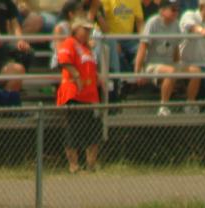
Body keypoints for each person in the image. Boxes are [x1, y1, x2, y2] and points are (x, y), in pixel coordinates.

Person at [135, 0, 197, 115]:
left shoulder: (176, 24)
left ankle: (190, 104)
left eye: (177, 9)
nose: (176, 12)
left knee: (196, 71)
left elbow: (175, 48)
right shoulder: (153, 22)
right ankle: (163, 106)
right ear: (162, 11)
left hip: (170, 64)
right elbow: (142, 47)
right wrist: (138, 71)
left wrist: (178, 65)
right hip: (153, 65)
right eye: (173, 9)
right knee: (171, 71)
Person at [57, 15, 101, 172]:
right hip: (73, 93)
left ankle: (91, 165)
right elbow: (63, 60)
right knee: (73, 128)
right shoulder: (69, 42)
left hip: (88, 94)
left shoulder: (87, 48)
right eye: (85, 29)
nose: (88, 33)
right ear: (76, 29)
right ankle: (73, 165)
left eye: (90, 30)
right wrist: (76, 75)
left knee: (93, 129)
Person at [178, 0, 205, 106]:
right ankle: (195, 106)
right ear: (204, 6)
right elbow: (190, 26)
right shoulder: (189, 15)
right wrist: (202, 30)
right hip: (187, 63)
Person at [99, 0, 143, 100]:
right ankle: (126, 81)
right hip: (112, 37)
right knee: (118, 54)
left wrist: (143, 40)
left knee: (141, 51)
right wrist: (112, 39)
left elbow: (140, 22)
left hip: (129, 39)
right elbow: (102, 21)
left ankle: (133, 80)